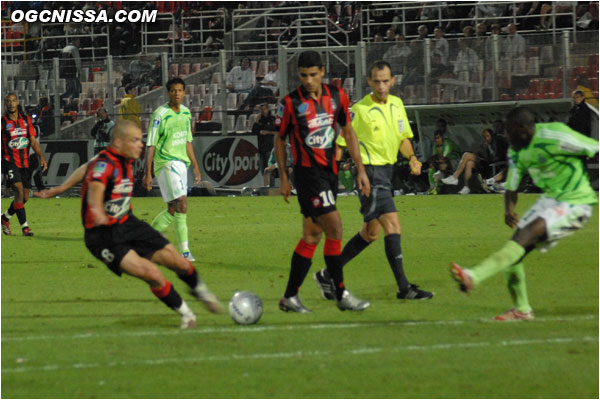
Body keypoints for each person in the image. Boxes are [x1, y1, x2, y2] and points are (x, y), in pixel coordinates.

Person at [450, 107, 598, 321]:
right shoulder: (517, 151)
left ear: (525, 129)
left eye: (510, 131)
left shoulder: (554, 134)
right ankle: (522, 309)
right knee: (515, 252)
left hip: (576, 200)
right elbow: (512, 186)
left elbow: (594, 147)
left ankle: (473, 276)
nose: (506, 136)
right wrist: (509, 209)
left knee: (524, 237)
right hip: (550, 200)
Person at [81, 120, 222, 329]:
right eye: (136, 140)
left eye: (141, 139)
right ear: (119, 143)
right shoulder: (104, 164)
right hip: (104, 235)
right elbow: (95, 188)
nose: (141, 144)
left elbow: (82, 171)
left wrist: (58, 189)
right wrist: (97, 211)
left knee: (181, 264)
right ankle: (187, 314)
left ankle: (199, 289)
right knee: (153, 275)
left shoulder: (125, 159)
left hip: (128, 224)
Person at [313, 60, 433, 301]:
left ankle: (328, 274)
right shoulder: (359, 111)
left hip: (387, 173)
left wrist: (412, 158)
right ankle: (404, 288)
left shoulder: (398, 104)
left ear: (393, 81)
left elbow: (403, 139)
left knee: (370, 233)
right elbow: (340, 145)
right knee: (393, 226)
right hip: (369, 174)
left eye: (385, 81)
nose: (381, 86)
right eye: (376, 81)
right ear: (369, 82)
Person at [275, 50, 371, 313]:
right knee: (336, 228)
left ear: (322, 72)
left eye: (313, 75)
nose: (308, 80)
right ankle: (340, 293)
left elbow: (348, 131)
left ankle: (289, 297)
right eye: (303, 75)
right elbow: (280, 138)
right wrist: (284, 176)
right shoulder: (290, 103)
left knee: (312, 234)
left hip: (329, 173)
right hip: (307, 175)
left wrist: (360, 169)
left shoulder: (337, 96)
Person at [144, 77, 202, 262]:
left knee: (172, 209)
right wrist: (148, 172)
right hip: (166, 163)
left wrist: (195, 166)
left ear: (184, 93)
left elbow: (187, 141)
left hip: (181, 164)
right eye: (173, 90)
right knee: (182, 202)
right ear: (168, 93)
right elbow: (151, 144)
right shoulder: (160, 114)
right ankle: (185, 252)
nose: (177, 94)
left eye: (180, 90)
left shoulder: (186, 113)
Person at [1, 93, 48, 236]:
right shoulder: (2, 122)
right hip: (9, 162)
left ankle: (5, 218)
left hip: (25, 162)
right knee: (18, 191)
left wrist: (41, 157)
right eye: (8, 101)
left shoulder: (26, 121)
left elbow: (33, 141)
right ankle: (25, 227)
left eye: (13, 101)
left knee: (25, 197)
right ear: (5, 103)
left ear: (17, 103)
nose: (11, 104)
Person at [442, 128, 508, 194]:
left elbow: (496, 156)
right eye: (484, 137)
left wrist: (486, 156)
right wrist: (484, 149)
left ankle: (454, 177)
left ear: (492, 135)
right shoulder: (485, 145)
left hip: (488, 164)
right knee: (469, 163)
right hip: (484, 164)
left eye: (487, 136)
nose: (486, 138)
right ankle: (466, 187)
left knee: (466, 155)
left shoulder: (496, 142)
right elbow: (478, 153)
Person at [426, 129, 461, 194]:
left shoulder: (448, 143)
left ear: (442, 138)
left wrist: (438, 150)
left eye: (438, 138)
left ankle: (441, 184)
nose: (436, 140)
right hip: (445, 161)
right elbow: (436, 156)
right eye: (435, 138)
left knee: (443, 165)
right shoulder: (435, 145)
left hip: (455, 161)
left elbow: (444, 158)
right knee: (431, 168)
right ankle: (433, 187)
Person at [251, 104, 277, 170]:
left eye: (264, 109)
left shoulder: (272, 119)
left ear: (268, 109)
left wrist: (267, 132)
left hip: (270, 146)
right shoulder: (260, 119)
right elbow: (254, 132)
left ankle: (271, 180)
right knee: (263, 169)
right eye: (261, 109)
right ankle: (265, 180)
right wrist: (256, 122)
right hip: (261, 147)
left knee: (270, 168)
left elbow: (277, 132)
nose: (263, 111)